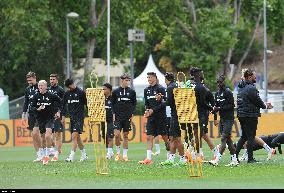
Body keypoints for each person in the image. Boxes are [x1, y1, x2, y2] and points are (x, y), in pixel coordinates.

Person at [235, 69, 273, 163]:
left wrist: (263, 104)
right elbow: (256, 100)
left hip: (241, 114)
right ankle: (250, 159)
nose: (256, 77)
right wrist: (265, 106)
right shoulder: (251, 88)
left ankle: (235, 156)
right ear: (249, 77)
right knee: (251, 137)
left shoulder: (241, 87)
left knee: (244, 136)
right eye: (254, 76)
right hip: (250, 115)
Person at [139, 72, 170, 164]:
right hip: (151, 118)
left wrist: (153, 110)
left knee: (164, 137)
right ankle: (148, 159)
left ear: (155, 78)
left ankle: (169, 156)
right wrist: (147, 110)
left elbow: (165, 103)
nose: (149, 79)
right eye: (148, 77)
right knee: (149, 137)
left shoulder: (161, 88)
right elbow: (146, 104)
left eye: (150, 77)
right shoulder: (146, 90)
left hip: (161, 117)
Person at [208, 75, 239, 167]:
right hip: (222, 119)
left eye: (220, 82)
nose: (219, 84)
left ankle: (216, 160)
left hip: (229, 119)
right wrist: (215, 118)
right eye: (217, 83)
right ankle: (234, 160)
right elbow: (215, 107)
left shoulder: (228, 92)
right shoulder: (217, 94)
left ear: (224, 82)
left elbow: (232, 105)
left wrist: (219, 108)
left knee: (223, 138)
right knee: (228, 140)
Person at [30, 80, 62, 165]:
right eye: (39, 86)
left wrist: (58, 111)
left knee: (48, 136)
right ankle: (45, 155)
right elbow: (31, 107)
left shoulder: (51, 95)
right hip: (40, 119)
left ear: (45, 86)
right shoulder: (36, 96)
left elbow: (60, 102)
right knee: (43, 138)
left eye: (41, 86)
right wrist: (37, 109)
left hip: (49, 118)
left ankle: (47, 156)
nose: (40, 87)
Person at [190, 67, 218, 161]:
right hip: (197, 114)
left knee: (199, 135)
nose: (203, 74)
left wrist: (214, 115)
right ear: (198, 75)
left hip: (200, 115)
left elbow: (210, 103)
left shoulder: (201, 88)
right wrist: (212, 109)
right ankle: (213, 153)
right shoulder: (198, 87)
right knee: (202, 135)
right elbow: (202, 103)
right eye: (201, 73)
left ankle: (196, 156)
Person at [160, 72, 187, 166]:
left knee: (177, 138)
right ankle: (171, 159)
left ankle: (183, 159)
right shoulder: (177, 85)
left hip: (176, 115)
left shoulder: (170, 87)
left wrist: (161, 99)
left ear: (167, 79)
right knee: (172, 137)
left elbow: (168, 103)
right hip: (179, 114)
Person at [112, 74, 137, 161]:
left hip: (127, 117)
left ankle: (125, 155)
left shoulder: (132, 92)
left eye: (128, 80)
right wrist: (113, 114)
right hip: (118, 117)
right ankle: (118, 153)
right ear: (121, 80)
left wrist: (132, 112)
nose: (127, 82)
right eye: (126, 80)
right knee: (117, 135)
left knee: (126, 135)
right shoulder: (115, 92)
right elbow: (112, 103)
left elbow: (134, 104)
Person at [62, 79, 88, 162]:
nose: (73, 85)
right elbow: (63, 105)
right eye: (71, 84)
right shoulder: (67, 94)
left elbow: (87, 104)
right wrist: (62, 115)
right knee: (77, 138)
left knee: (74, 136)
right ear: (69, 86)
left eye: (73, 83)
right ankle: (84, 155)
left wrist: (90, 114)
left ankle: (71, 157)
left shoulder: (81, 92)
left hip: (79, 117)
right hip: (72, 118)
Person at [21, 72, 42, 162]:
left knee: (36, 133)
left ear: (34, 78)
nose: (29, 82)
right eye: (28, 80)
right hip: (31, 114)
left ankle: (45, 151)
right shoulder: (27, 89)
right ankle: (39, 155)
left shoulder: (40, 86)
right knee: (33, 135)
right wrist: (24, 113)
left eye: (30, 80)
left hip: (40, 113)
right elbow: (26, 102)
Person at [48, 74, 65, 161]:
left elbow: (63, 103)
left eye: (53, 79)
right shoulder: (48, 89)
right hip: (49, 115)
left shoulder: (61, 90)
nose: (51, 81)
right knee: (48, 134)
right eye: (50, 79)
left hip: (58, 115)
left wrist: (60, 113)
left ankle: (56, 154)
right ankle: (56, 149)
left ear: (57, 80)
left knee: (58, 134)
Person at [102, 83, 115, 159]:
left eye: (104, 89)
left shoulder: (113, 99)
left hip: (111, 120)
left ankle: (109, 153)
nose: (103, 90)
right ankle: (110, 152)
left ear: (109, 90)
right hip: (103, 120)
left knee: (110, 136)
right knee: (104, 137)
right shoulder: (101, 98)